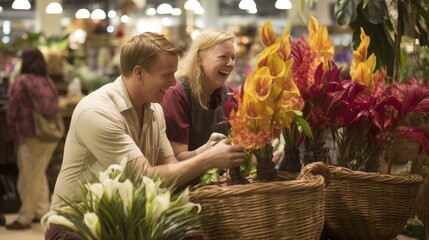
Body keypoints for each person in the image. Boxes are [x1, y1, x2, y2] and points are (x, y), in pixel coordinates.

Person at [43, 32, 247, 239]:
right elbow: (142, 177)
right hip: (76, 226)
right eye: (167, 75)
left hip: (126, 223)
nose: (173, 83)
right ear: (139, 73)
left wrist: (205, 151)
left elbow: (170, 167)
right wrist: (208, 159)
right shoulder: (97, 111)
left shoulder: (154, 110)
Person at [161, 29, 243, 186]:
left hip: (222, 191)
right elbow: (175, 159)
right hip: (185, 194)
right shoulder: (177, 94)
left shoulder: (231, 94)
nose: (231, 63)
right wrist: (208, 153)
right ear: (200, 59)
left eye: (233, 57)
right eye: (223, 57)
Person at [6, 47, 61, 230]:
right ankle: (41, 211)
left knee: (28, 176)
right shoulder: (47, 81)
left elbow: (12, 110)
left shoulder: (21, 81)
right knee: (38, 174)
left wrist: (13, 130)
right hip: (49, 135)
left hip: (30, 134)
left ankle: (24, 217)